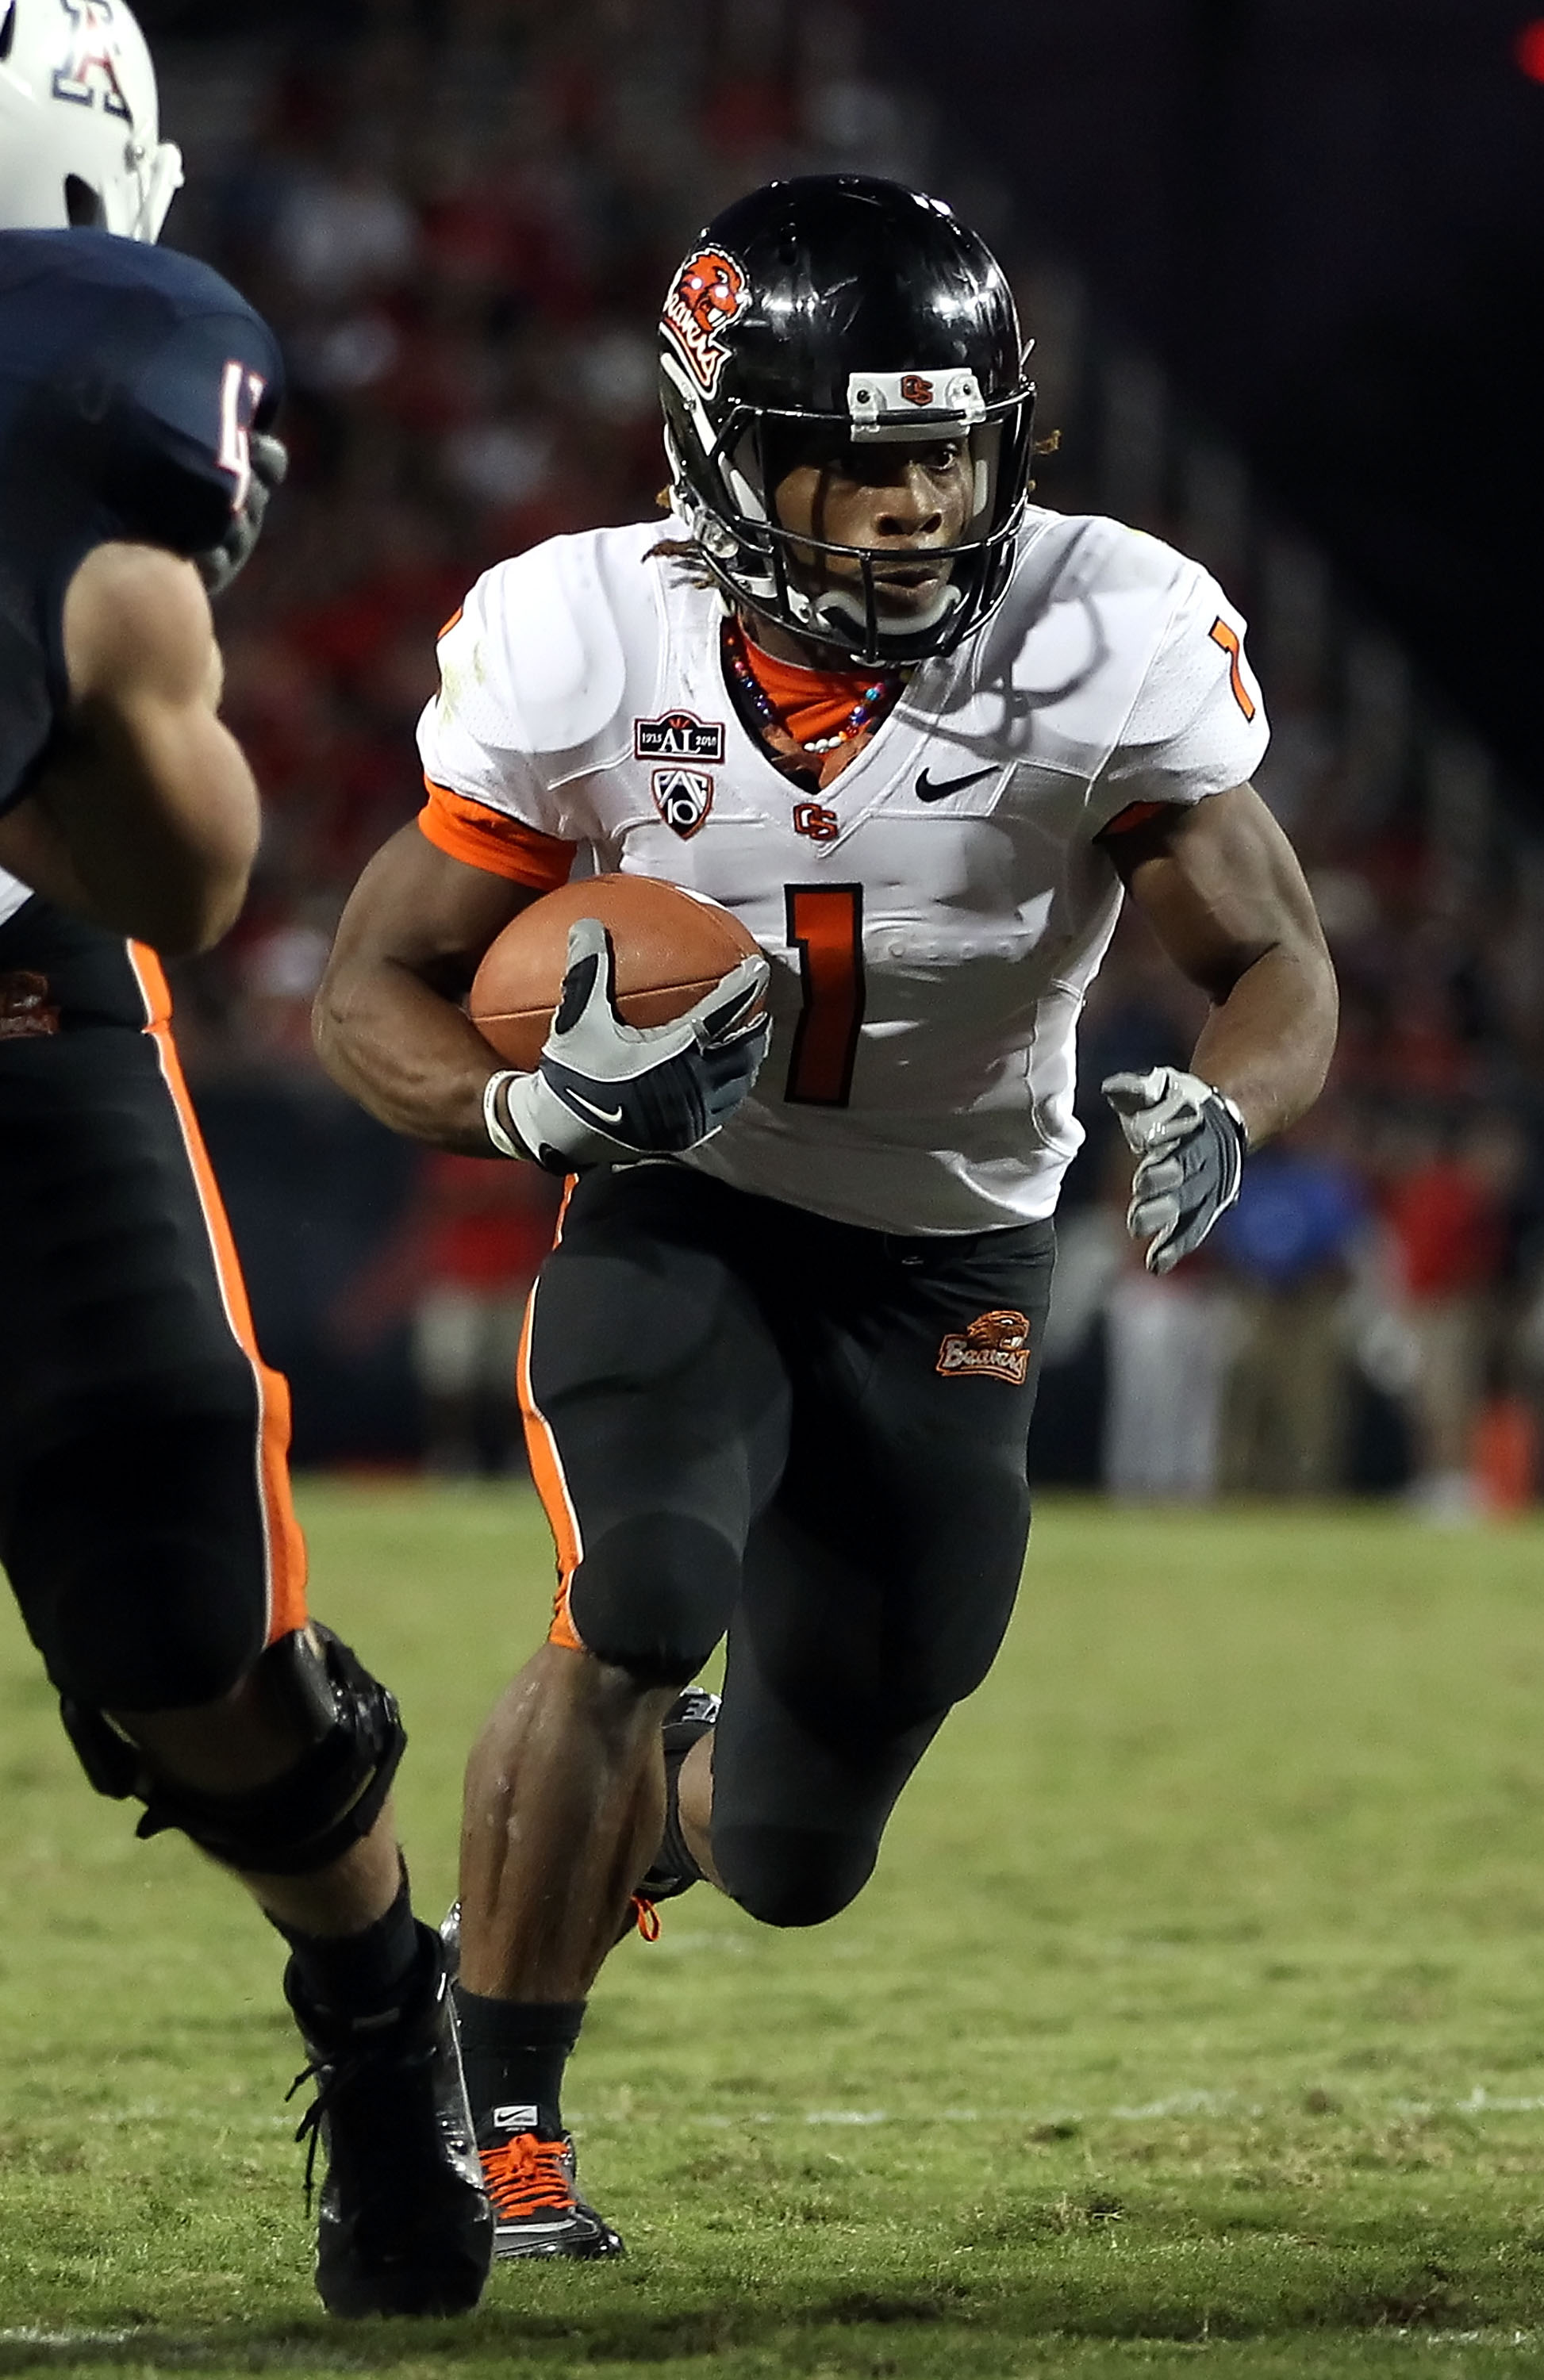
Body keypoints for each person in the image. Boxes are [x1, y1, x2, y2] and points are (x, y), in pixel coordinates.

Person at [314, 174, 1339, 2258]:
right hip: (686, 1209)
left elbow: (1277, 966)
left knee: (793, 1845)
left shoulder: (1106, 621)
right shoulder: (583, 629)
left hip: (954, 1249)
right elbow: (368, 988)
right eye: (850, 462)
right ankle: (491, 2120)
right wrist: (526, 1105)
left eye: (942, 453)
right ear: (719, 447)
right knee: (636, 1592)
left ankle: (652, 1811)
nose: (904, 508)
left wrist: (1225, 1111)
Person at [0, 0, 490, 2317]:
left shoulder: (46, 372)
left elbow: (182, 869)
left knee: (173, 1569)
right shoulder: (71, 340)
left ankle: (379, 2001)